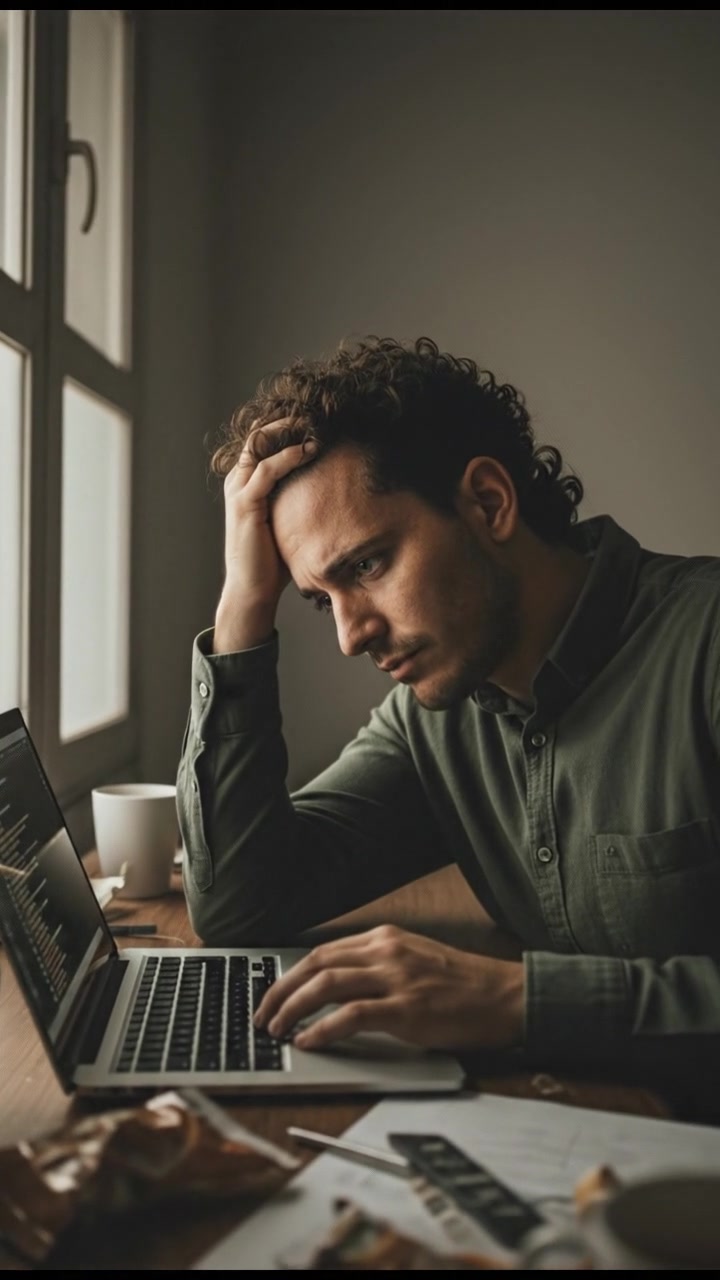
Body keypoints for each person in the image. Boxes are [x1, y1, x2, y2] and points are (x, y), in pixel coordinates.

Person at [177, 335, 720, 1116]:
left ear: (489, 503)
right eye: (319, 601)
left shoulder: (705, 646)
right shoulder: (434, 722)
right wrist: (242, 609)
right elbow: (241, 904)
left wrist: (516, 1001)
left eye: (367, 565)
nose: (350, 636)